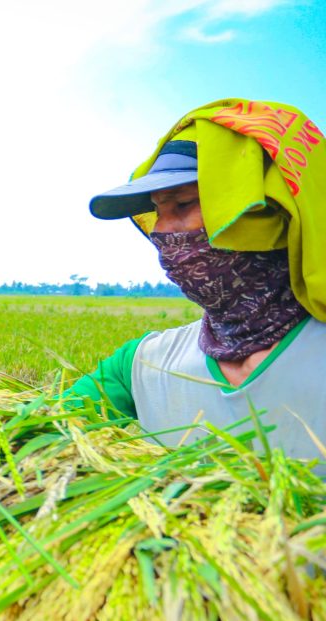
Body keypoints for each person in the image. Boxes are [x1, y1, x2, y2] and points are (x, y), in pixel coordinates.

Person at [71, 98, 325, 463]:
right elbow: (33, 433)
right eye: (156, 210)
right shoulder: (142, 365)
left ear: (271, 212)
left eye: (183, 204)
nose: (160, 230)